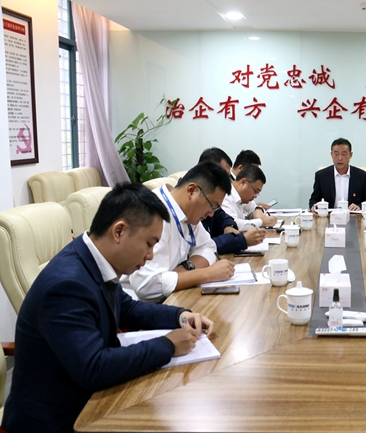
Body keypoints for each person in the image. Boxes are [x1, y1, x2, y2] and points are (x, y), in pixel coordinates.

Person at [1, 183, 215, 432]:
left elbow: (128, 309)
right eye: (149, 243)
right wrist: (167, 345)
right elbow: (94, 368)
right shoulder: (67, 285)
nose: (150, 255)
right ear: (119, 231)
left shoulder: (93, 259)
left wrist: (180, 316)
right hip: (55, 419)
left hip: (87, 399)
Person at [121, 162, 236, 302]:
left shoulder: (189, 213)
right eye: (212, 206)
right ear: (192, 191)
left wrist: (186, 269)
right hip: (135, 306)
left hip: (172, 297)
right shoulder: (152, 213)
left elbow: (209, 246)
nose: (211, 214)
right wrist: (207, 274)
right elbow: (147, 287)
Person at [197, 147, 265, 254]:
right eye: (222, 176)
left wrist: (228, 226)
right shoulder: (196, 198)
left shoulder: (211, 195)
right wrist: (242, 240)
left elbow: (221, 216)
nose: (227, 181)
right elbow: (202, 246)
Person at [309, 137, 366, 211]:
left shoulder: (362, 176)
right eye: (336, 154)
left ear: (350, 155)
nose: (340, 158)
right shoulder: (321, 176)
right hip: (328, 216)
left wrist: (359, 206)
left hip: (353, 215)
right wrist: (315, 206)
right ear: (331, 155)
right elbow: (314, 200)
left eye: (344, 154)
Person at [222, 165, 273, 233]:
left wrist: (258, 209)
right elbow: (233, 224)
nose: (255, 196)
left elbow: (254, 208)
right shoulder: (226, 195)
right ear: (243, 182)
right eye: (255, 191)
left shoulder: (242, 196)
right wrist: (261, 222)